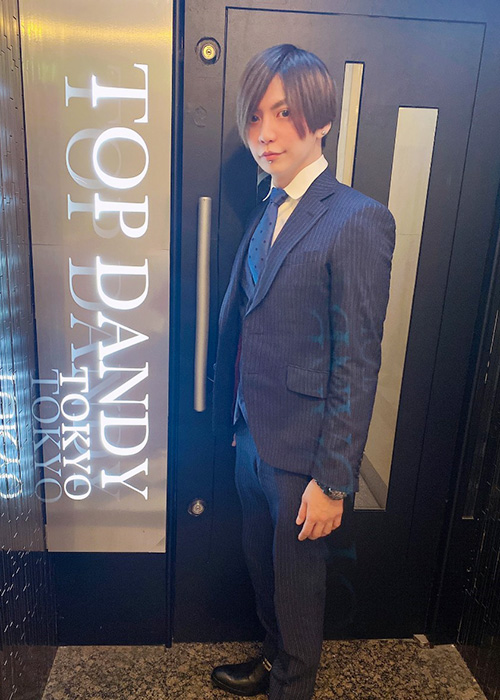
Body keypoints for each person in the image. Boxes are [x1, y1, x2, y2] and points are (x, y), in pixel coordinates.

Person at [211, 44, 395, 700]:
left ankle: (293, 686)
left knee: (296, 587)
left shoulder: (357, 219)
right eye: (255, 116)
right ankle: (272, 659)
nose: (265, 132)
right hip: (250, 436)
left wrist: (334, 480)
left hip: (304, 454)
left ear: (320, 120)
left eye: (284, 113)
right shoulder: (267, 206)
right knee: (262, 571)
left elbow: (358, 359)